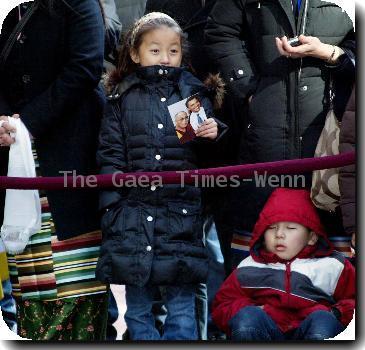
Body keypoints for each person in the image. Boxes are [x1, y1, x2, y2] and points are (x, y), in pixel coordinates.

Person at [96, 12, 226, 340]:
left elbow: (201, 156)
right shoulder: (122, 97)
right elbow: (111, 156)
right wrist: (115, 207)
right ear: (136, 54)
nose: (165, 58)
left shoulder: (185, 95)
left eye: (173, 50)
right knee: (138, 306)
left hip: (178, 214)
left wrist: (213, 133)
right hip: (132, 216)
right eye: (155, 50)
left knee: (181, 304)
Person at [205, 0, 355, 273]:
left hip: (330, 128)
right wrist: (250, 90)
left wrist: (331, 54)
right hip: (264, 132)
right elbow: (220, 31)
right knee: (257, 267)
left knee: (329, 275)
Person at [0, 0, 107, 340]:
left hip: (70, 156)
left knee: (79, 296)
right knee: (31, 296)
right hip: (16, 160)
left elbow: (87, 65)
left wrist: (28, 121)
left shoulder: (79, 4)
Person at [212, 188, 355, 341]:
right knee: (248, 317)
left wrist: (337, 313)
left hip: (312, 330)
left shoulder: (333, 265)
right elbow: (222, 305)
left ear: (312, 237)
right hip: (265, 331)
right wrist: (252, 309)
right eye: (271, 227)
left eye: (291, 228)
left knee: (322, 321)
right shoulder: (248, 267)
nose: (279, 234)